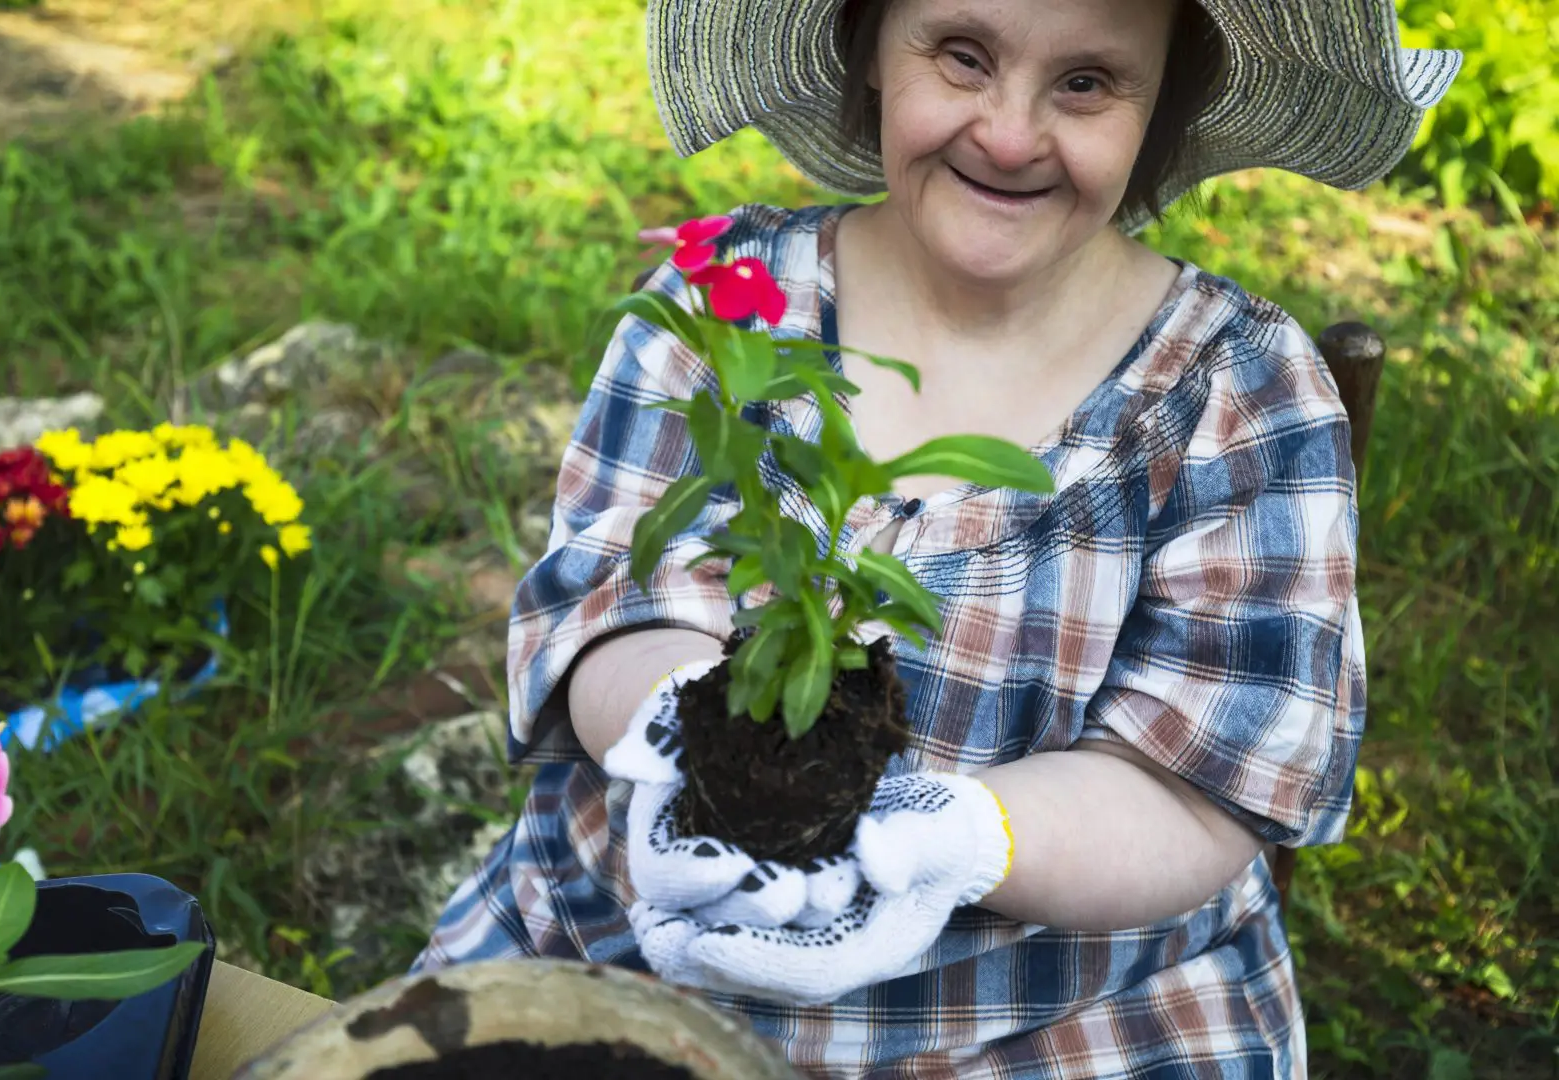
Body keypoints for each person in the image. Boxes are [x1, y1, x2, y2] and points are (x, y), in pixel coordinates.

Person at [414, 0, 1460, 1075]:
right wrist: (689, 735)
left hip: (1054, 1014)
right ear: (868, 48)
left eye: (1088, 82)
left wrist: (952, 835)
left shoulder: (1238, 391)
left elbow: (1202, 786)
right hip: (638, 955)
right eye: (963, 57)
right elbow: (615, 601)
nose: (1009, 135)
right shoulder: (728, 302)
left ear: (1165, 105)